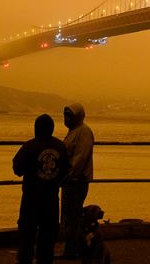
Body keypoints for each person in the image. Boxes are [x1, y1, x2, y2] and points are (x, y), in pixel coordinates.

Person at [12, 114, 69, 264]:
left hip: (31, 198)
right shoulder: (60, 146)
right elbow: (65, 170)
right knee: (48, 235)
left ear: (36, 128)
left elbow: (17, 168)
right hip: (51, 198)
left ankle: (25, 259)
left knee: (27, 233)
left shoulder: (29, 146)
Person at [59, 103, 94, 259]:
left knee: (72, 217)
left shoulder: (83, 132)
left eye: (69, 115)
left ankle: (73, 250)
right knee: (68, 216)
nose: (66, 119)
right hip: (69, 181)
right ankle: (73, 248)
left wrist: (69, 174)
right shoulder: (73, 131)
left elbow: (81, 157)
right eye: (65, 115)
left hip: (76, 181)